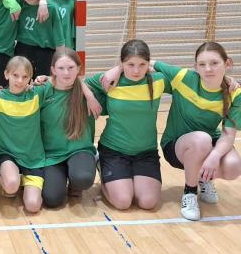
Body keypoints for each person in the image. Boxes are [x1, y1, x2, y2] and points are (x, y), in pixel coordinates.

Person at [103, 41, 241, 220]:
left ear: (227, 63)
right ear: (195, 67)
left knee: (233, 166)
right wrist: (118, 69)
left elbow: (228, 135)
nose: (208, 69)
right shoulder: (182, 78)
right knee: (201, 140)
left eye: (214, 63)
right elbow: (146, 63)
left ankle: (203, 177)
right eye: (202, 64)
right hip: (177, 145)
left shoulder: (234, 93)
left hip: (207, 141)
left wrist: (214, 157)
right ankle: (190, 193)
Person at [86, 40, 169, 210]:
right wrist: (90, 98)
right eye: (130, 65)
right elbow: (79, 83)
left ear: (149, 64)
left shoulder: (159, 81)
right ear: (122, 63)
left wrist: (224, 78)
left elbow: (187, 78)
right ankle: (101, 164)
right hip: (114, 151)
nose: (136, 70)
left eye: (142, 64)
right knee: (123, 202)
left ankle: (127, 178)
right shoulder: (110, 80)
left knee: (148, 202)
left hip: (146, 153)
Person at [0, 56, 47, 213]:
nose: (20, 81)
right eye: (15, 75)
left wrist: (46, 77)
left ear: (30, 78)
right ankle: (6, 178)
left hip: (34, 159)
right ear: (6, 74)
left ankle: (24, 181)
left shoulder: (36, 94)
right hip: (9, 155)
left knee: (33, 206)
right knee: (11, 186)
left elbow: (63, 81)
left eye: (25, 77)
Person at [41, 48, 96, 208]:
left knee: (83, 178)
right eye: (61, 68)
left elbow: (112, 75)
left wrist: (89, 94)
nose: (66, 73)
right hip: (52, 154)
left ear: (79, 68)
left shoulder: (89, 90)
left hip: (79, 149)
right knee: (52, 199)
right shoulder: (43, 90)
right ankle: (65, 175)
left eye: (71, 67)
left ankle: (77, 177)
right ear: (53, 70)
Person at [14, 0, 64, 77]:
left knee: (42, 82)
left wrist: (61, 61)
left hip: (45, 52)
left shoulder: (51, 8)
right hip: (22, 48)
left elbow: (59, 39)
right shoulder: (19, 2)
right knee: (21, 80)